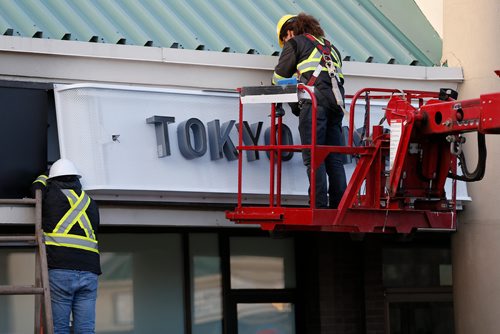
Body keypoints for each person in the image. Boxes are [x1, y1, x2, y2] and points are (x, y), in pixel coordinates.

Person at [272, 13, 347, 208]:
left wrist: (294, 106)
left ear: (289, 32)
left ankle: (318, 205)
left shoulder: (295, 43)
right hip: (337, 106)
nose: (286, 42)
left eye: (285, 39)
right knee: (334, 159)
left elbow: (278, 80)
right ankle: (339, 206)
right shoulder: (331, 47)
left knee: (313, 157)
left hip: (315, 106)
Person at [31, 158, 101, 334]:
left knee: (59, 328)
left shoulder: (49, 194)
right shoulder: (90, 202)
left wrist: (43, 175)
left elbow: (35, 189)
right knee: (85, 329)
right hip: (90, 270)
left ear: (52, 178)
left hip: (60, 268)